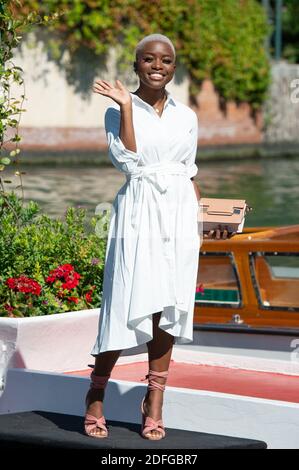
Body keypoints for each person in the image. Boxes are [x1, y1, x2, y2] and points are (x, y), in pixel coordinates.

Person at [84, 33, 228, 441]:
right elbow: (128, 162)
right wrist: (127, 106)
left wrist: (205, 217)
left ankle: (155, 399)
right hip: (138, 211)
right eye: (148, 59)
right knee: (124, 298)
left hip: (180, 213)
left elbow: (189, 171)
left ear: (174, 67)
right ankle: (96, 392)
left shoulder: (187, 116)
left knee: (171, 304)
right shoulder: (118, 110)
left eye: (165, 60)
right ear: (137, 66)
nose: (157, 66)